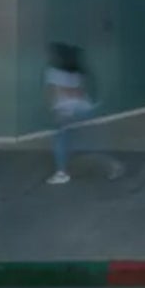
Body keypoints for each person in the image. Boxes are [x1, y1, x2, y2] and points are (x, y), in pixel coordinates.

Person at [45, 42, 109, 184]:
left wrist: (57, 111)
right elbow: (80, 92)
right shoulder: (78, 72)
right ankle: (102, 164)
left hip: (65, 111)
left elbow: (53, 93)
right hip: (83, 108)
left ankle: (62, 173)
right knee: (80, 138)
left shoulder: (53, 72)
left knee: (61, 141)